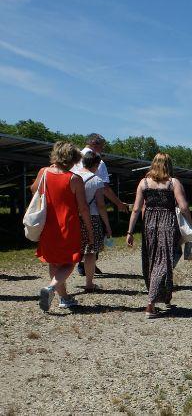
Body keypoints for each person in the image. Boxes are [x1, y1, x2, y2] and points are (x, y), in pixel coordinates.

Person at [126, 153, 192, 318]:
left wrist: (130, 231)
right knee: (163, 263)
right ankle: (150, 303)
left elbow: (136, 209)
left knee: (151, 262)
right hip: (168, 225)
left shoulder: (143, 183)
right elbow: (183, 207)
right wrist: (190, 226)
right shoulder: (173, 183)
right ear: (169, 165)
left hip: (149, 225)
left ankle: (162, 295)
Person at [32, 142, 95, 312]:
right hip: (68, 225)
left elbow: (33, 190)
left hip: (48, 225)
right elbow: (83, 208)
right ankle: (51, 288)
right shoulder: (74, 179)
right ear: (74, 159)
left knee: (54, 261)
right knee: (70, 261)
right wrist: (90, 231)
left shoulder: (44, 172)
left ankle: (64, 298)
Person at [72, 133, 128, 276]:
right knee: (93, 241)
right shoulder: (99, 162)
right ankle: (86, 267)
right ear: (95, 145)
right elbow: (104, 188)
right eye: (102, 147)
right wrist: (118, 203)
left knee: (77, 239)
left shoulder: (73, 157)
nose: (102, 150)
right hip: (92, 208)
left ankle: (72, 268)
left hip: (73, 208)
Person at [75, 151, 113, 291]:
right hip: (92, 218)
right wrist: (107, 226)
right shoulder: (96, 180)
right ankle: (89, 283)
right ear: (96, 165)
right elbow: (101, 205)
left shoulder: (73, 177)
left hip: (74, 218)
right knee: (90, 252)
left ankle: (61, 282)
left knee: (73, 249)